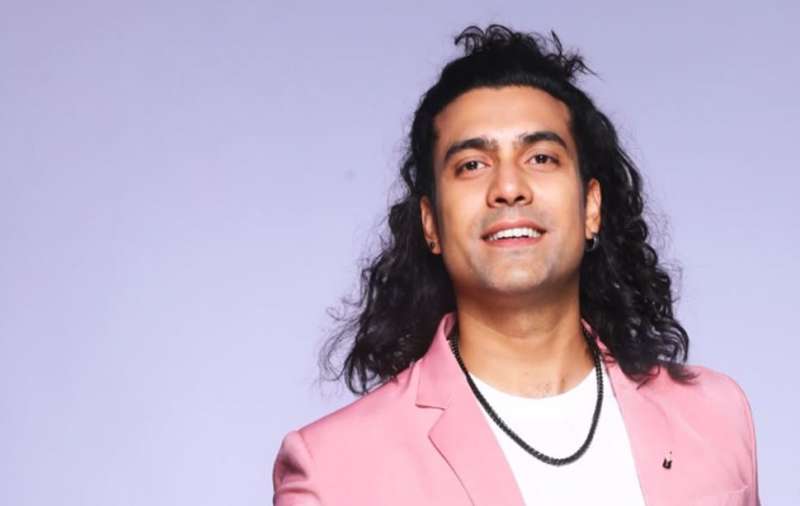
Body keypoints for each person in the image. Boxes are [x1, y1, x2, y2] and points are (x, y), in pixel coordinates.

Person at [271, 24, 760, 505]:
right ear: (430, 223)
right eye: (472, 165)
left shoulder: (715, 416)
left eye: (541, 158)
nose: (508, 187)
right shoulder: (334, 470)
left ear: (591, 207)